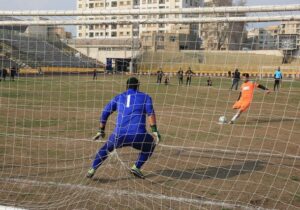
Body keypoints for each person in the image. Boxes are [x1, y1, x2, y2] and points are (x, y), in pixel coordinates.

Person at [87, 77, 161, 179]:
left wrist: (101, 130)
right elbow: (150, 113)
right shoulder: (145, 97)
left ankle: (92, 169)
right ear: (138, 86)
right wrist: (155, 131)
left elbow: (105, 112)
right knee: (151, 144)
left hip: (119, 135)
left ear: (126, 87)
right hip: (138, 135)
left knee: (106, 149)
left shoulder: (119, 97)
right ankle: (136, 167)